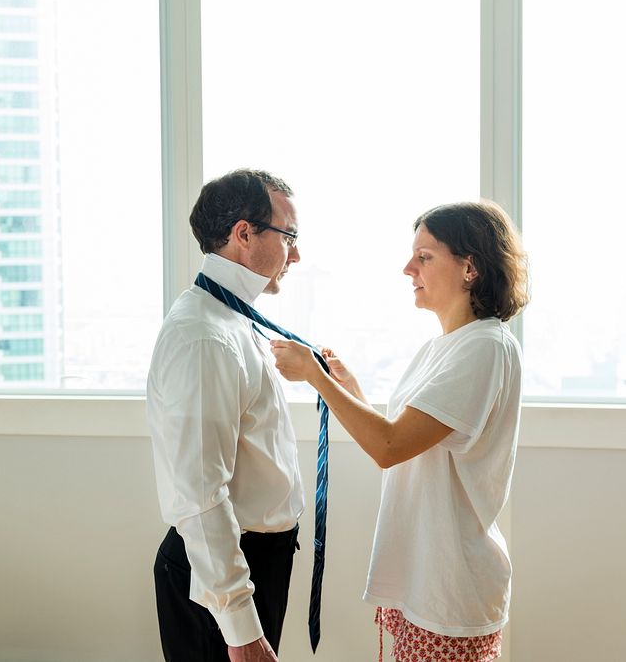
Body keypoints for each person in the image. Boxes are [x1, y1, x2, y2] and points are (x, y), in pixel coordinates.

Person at [271, 201, 529, 662]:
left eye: (425, 257)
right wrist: (349, 389)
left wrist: (317, 379)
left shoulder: (483, 347)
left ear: (470, 266)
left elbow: (389, 447)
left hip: (449, 589)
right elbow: (406, 441)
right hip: (423, 577)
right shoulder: (445, 346)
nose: (408, 267)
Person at [148, 169, 304, 662]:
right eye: (289, 237)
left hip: (252, 564)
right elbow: (199, 492)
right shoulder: (205, 337)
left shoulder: (233, 319)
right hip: (220, 576)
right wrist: (240, 626)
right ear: (243, 234)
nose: (295, 255)